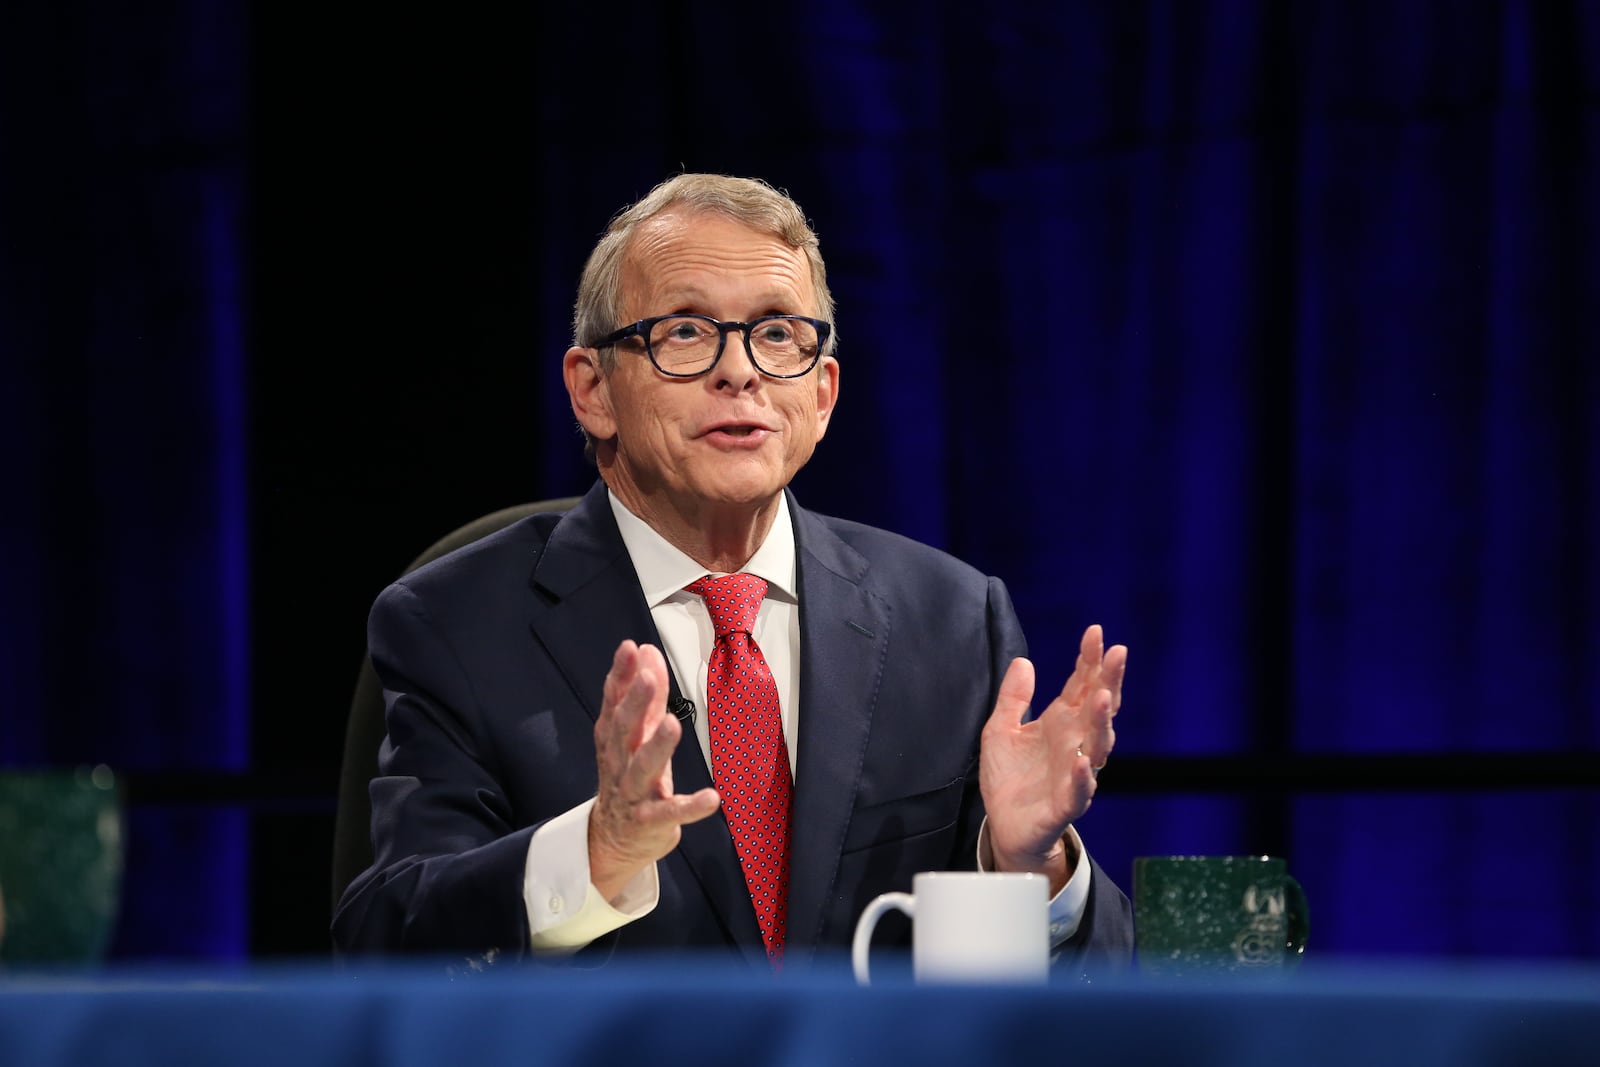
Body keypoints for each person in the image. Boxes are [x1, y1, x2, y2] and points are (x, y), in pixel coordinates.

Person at [332, 174, 1132, 971]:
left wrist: (1032, 864)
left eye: (778, 333)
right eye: (685, 330)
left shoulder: (952, 620)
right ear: (592, 390)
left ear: (822, 395)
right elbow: (384, 938)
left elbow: (1098, 994)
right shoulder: (459, 624)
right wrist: (596, 852)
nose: (740, 371)